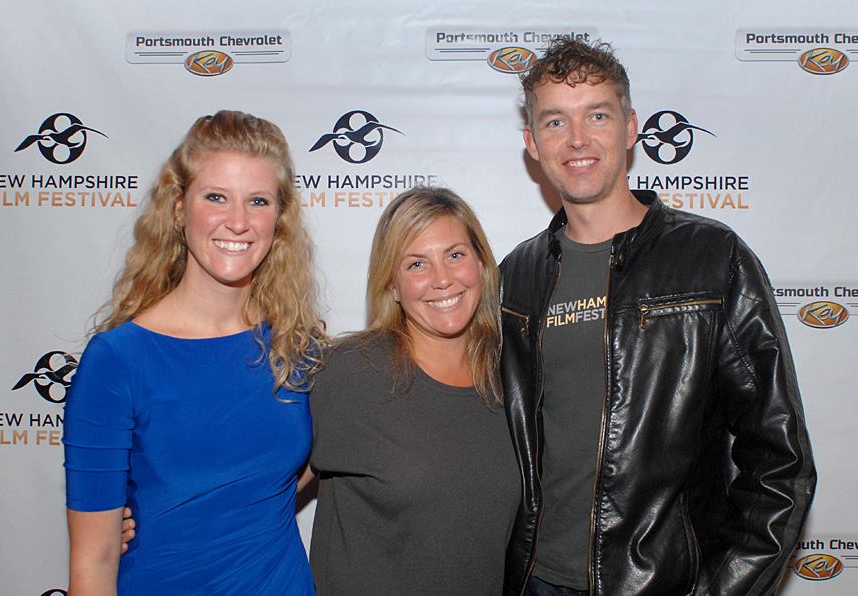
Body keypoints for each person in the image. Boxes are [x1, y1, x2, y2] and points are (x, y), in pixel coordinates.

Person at [499, 37, 816, 595]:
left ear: (630, 128)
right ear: (531, 142)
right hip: (535, 582)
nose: (577, 139)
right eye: (554, 122)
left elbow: (780, 462)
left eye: (597, 115)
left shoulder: (712, 260)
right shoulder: (517, 275)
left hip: (661, 584)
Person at [63, 110, 325, 595]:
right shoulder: (118, 361)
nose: (239, 222)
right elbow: (93, 565)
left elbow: (308, 460)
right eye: (216, 197)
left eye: (259, 201)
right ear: (179, 207)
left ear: (279, 219)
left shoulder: (298, 347)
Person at [307, 187, 521, 595]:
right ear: (391, 284)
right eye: (417, 264)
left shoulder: (514, 376)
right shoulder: (351, 374)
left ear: (481, 263)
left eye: (455, 255)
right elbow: (259, 492)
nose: (442, 279)